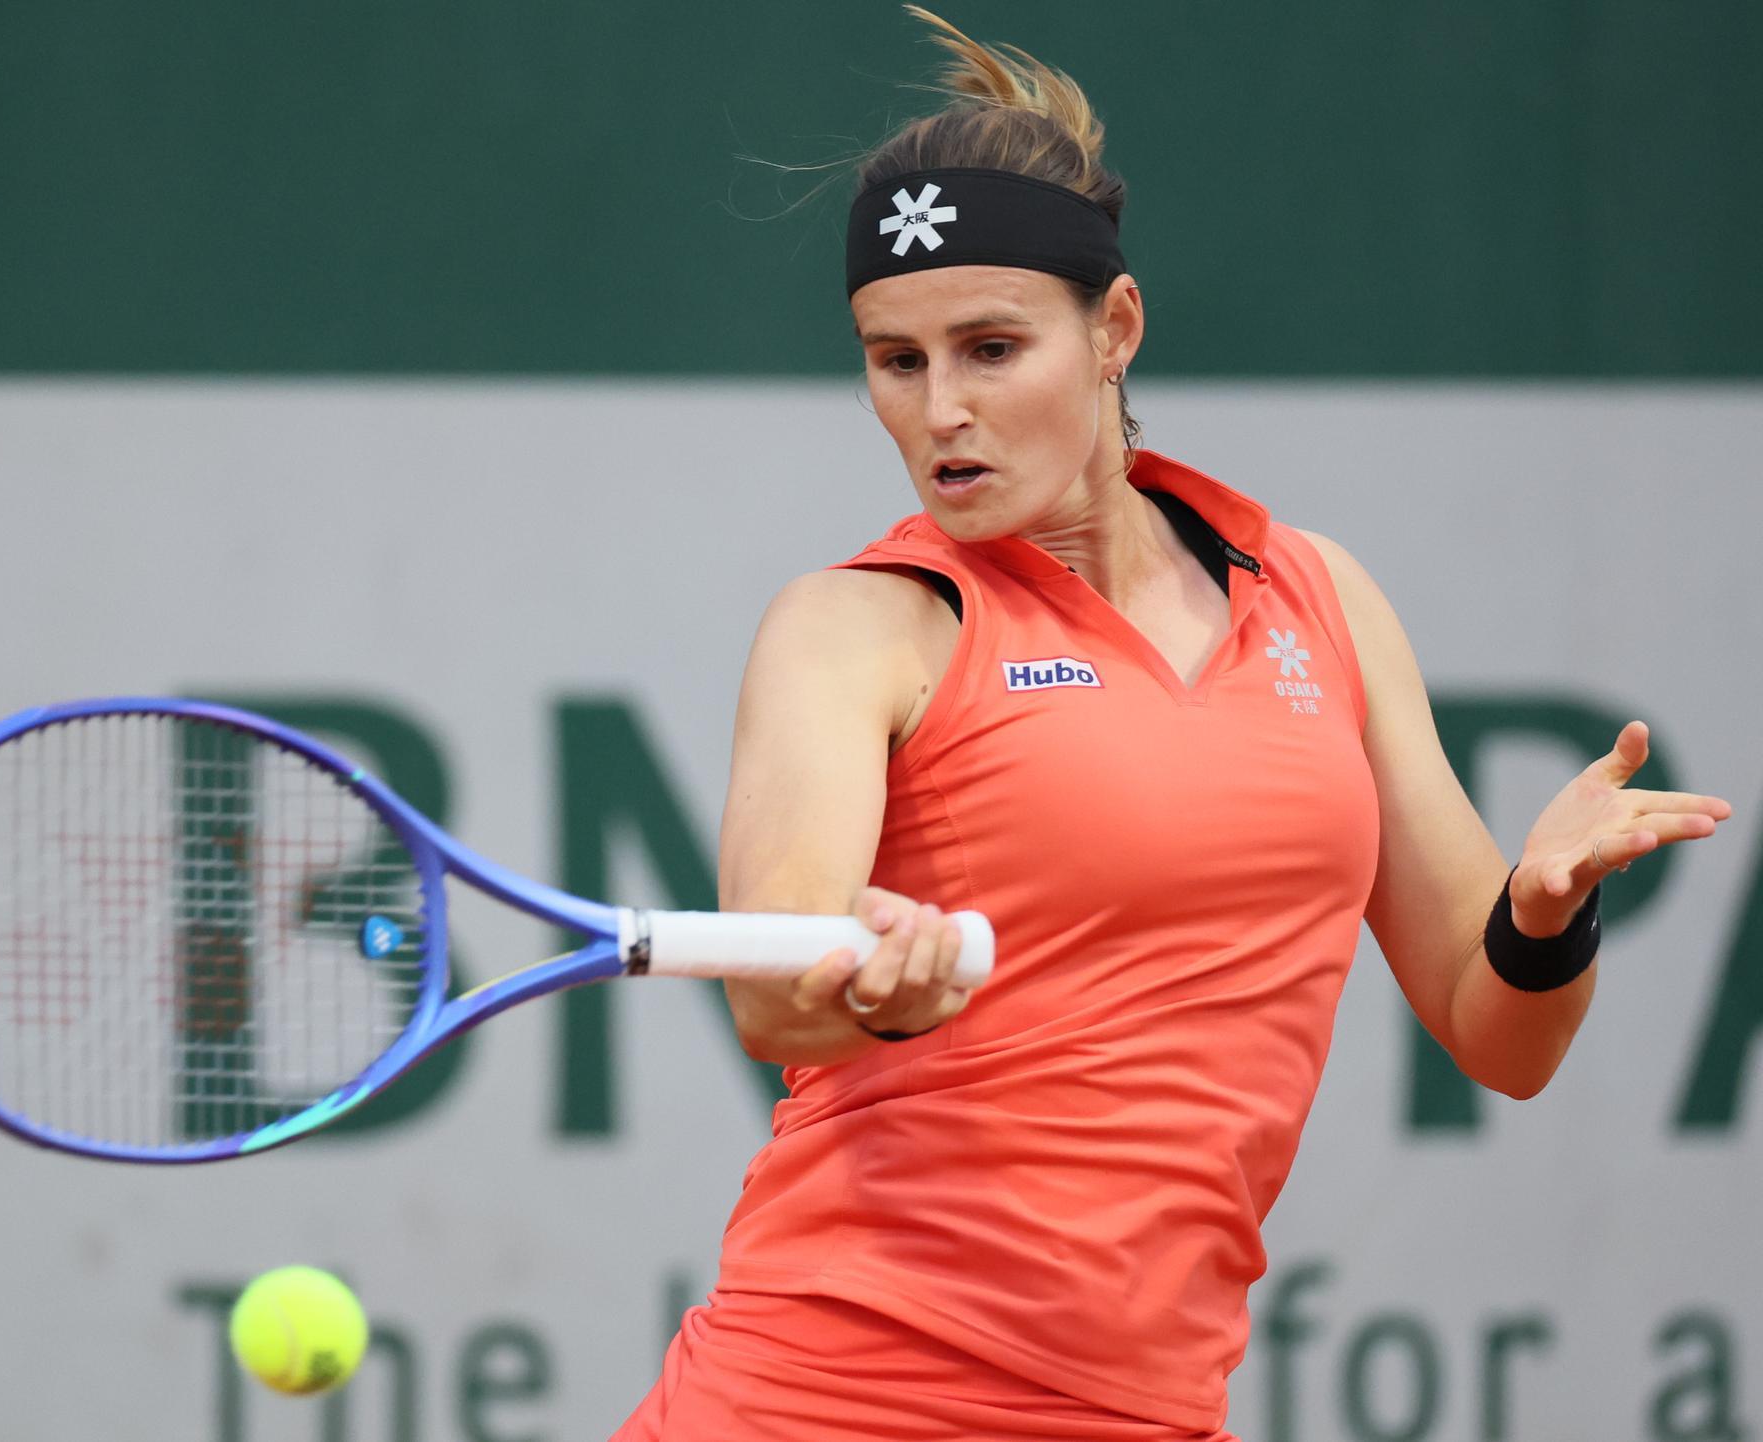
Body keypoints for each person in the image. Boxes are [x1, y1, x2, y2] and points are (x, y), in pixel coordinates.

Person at [612, 8, 1733, 1439]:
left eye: (992, 347)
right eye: (897, 361)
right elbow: (778, 978)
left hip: (1146, 1410)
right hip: (825, 1398)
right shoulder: (859, 623)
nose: (942, 411)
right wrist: (875, 980)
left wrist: (1543, 906)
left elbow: (1499, 1032)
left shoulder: (1319, 596)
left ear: (1115, 327)